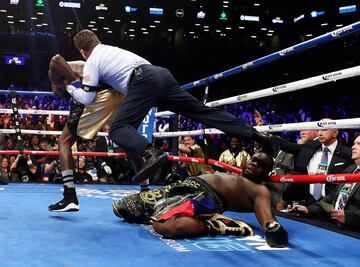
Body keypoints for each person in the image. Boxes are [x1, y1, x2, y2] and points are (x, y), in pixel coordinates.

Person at [62, 29, 277, 185]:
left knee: (118, 129)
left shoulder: (92, 61)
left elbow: (88, 99)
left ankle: (152, 153)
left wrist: (70, 88)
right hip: (161, 75)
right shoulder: (111, 50)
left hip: (143, 82)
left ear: (82, 51)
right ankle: (256, 135)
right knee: (202, 112)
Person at [112, 151, 288, 248]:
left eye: (261, 165)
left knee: (164, 226)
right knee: (122, 208)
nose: (254, 164)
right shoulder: (235, 174)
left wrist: (272, 228)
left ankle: (215, 225)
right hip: (184, 186)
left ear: (266, 172)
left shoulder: (259, 189)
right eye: (253, 160)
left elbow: (268, 217)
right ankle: (161, 209)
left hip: (203, 196)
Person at [47, 55, 126, 212]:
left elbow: (56, 60)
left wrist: (66, 85)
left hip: (96, 97)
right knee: (125, 136)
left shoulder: (66, 67)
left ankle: (70, 196)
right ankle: (146, 192)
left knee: (64, 141)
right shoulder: (94, 65)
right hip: (119, 94)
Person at [290, 135, 360, 230]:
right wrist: (309, 209)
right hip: (335, 226)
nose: (353, 146)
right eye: (354, 143)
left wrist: (350, 218)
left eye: (358, 144)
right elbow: (332, 196)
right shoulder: (349, 170)